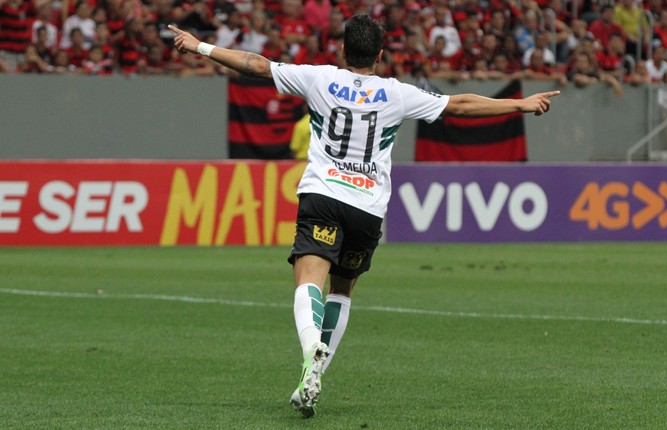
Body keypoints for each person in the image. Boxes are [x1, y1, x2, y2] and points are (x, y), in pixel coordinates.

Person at [168, 14, 559, 419]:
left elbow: (256, 65)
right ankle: (314, 373)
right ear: (380, 54)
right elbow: (459, 105)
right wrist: (519, 103)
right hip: (367, 207)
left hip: (322, 194)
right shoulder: (396, 93)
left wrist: (200, 47)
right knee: (342, 290)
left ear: (341, 50)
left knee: (308, 279)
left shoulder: (318, 78)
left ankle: (308, 351)